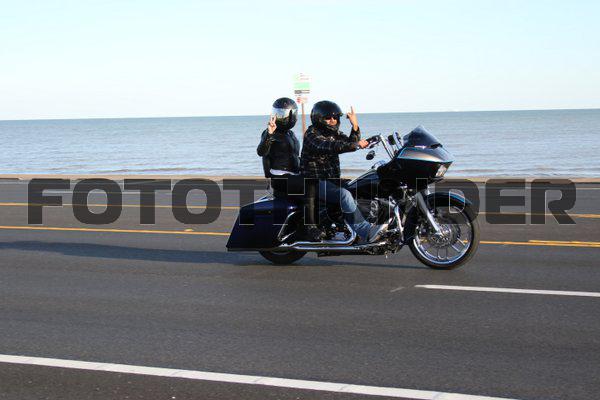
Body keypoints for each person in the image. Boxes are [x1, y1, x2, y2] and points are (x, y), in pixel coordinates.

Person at [301, 100, 379, 244]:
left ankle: (349, 225)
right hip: (315, 182)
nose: (333, 120)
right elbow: (330, 146)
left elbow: (349, 142)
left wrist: (355, 126)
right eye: (328, 118)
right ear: (318, 118)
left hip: (331, 180)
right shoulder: (311, 134)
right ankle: (366, 231)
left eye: (335, 117)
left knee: (357, 186)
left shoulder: (334, 133)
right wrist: (355, 145)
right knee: (344, 195)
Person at [257, 97, 323, 241]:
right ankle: (310, 227)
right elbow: (261, 151)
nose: (281, 116)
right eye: (278, 113)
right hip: (280, 178)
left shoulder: (290, 134)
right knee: (310, 184)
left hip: (293, 175)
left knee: (322, 182)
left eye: (284, 113)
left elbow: (296, 156)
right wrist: (269, 134)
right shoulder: (270, 133)